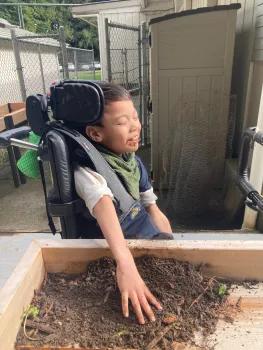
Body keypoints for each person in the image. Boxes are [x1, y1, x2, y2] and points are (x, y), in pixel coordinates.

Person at [73, 81, 173, 325]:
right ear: (96, 134)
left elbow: (153, 208)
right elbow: (103, 203)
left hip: (147, 239)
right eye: (122, 122)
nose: (135, 127)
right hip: (118, 252)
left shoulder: (132, 162)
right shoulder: (87, 173)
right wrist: (125, 263)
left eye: (135, 117)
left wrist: (171, 250)